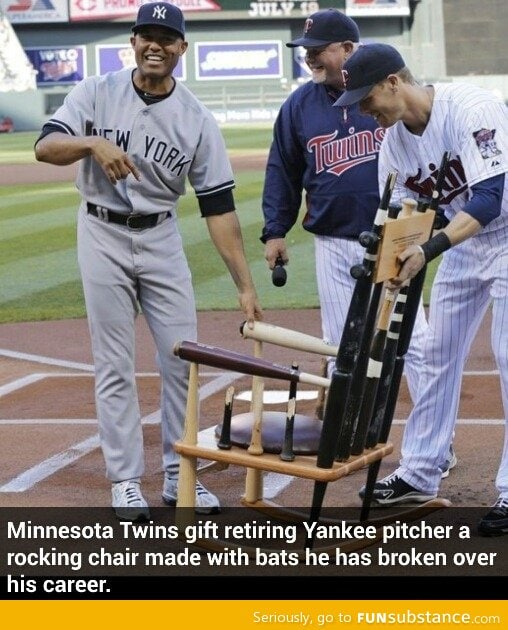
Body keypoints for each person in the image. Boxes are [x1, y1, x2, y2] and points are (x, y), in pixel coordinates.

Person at [34, 2, 262, 522]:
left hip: (161, 239)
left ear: (183, 48)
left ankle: (179, 475)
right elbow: (45, 146)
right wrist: (91, 142)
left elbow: (219, 207)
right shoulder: (95, 92)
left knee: (182, 359)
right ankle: (125, 482)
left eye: (167, 37)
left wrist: (244, 285)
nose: (155, 45)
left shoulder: (197, 120)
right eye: (146, 35)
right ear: (133, 43)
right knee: (113, 363)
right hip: (100, 233)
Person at [336, 43, 508, 536]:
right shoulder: (392, 145)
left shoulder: (471, 109)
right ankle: (420, 471)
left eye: (367, 100)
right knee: (433, 353)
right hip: (460, 242)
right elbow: (404, 218)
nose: (365, 113)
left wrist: (427, 252)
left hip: (502, 231)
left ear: (394, 81)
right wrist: (389, 259)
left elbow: (491, 200)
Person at [260, 8, 441, 454]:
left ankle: (437, 444)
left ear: (348, 48)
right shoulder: (299, 105)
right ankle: (349, 434)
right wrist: (275, 230)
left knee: (414, 344)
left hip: (395, 240)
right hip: (333, 241)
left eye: (318, 50)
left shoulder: (385, 93)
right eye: (305, 52)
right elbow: (283, 169)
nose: (310, 59)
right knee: (342, 345)